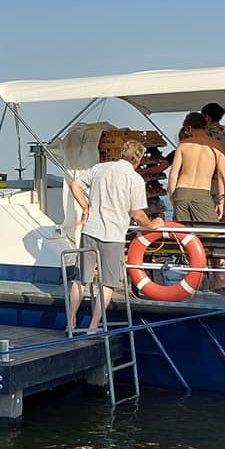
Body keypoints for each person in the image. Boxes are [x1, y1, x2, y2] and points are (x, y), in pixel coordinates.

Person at [67, 140, 165, 332]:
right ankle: (94, 325)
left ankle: (70, 321)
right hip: (113, 234)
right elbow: (136, 213)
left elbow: (74, 185)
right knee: (108, 283)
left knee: (81, 279)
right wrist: (152, 224)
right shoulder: (134, 179)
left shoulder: (99, 168)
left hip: (90, 230)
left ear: (121, 153)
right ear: (137, 160)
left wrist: (86, 207)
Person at [165, 112, 225, 223]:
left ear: (189, 127)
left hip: (181, 190)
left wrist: (172, 196)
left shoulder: (183, 145)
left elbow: (173, 174)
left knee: (182, 234)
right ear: (205, 126)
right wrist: (221, 202)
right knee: (210, 231)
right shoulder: (217, 146)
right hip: (201, 192)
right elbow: (222, 177)